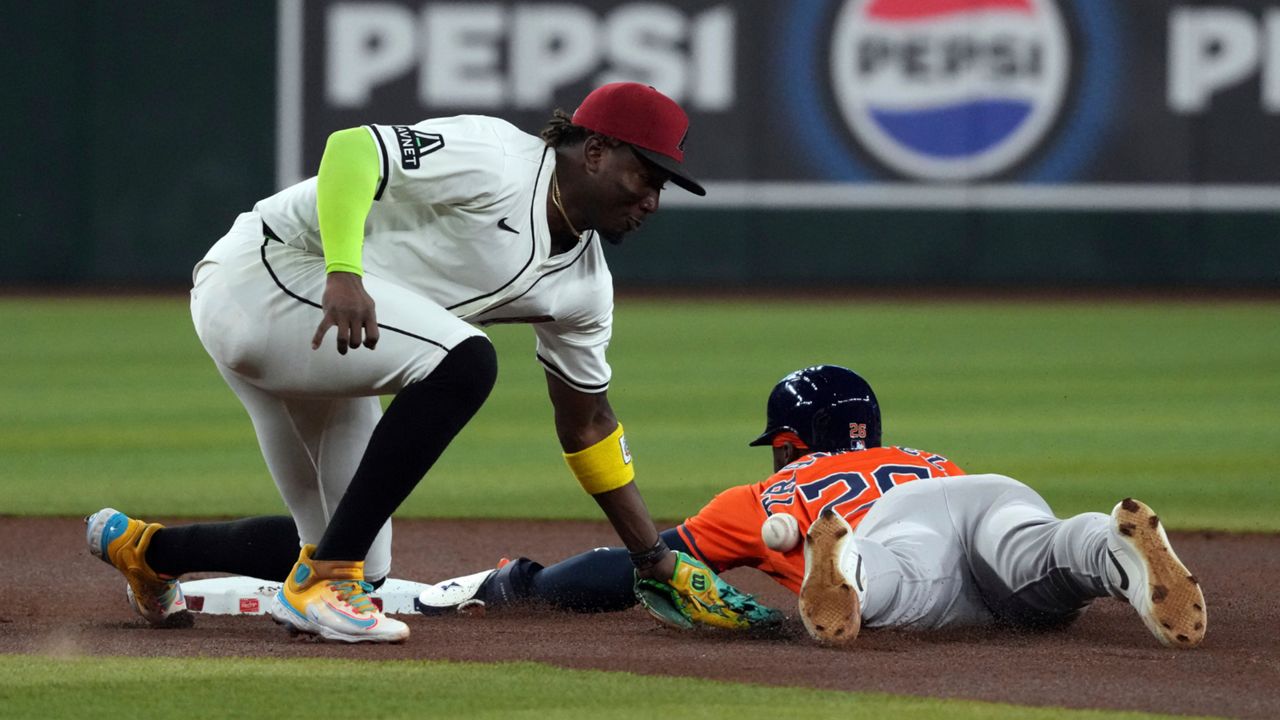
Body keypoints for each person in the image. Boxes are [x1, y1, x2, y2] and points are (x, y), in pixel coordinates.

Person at [85, 82, 764, 643]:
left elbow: (586, 424)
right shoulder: (500, 159)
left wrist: (653, 559)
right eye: (644, 173)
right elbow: (352, 150)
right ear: (594, 151)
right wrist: (344, 271)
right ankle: (324, 580)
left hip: (336, 335)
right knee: (467, 361)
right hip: (266, 274)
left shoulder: (583, 288)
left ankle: (147, 553)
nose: (652, 198)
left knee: (355, 553)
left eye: (663, 186)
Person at [418, 365, 1208, 649]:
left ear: (790, 439)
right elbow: (964, 524)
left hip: (888, 534)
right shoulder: (924, 456)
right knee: (1038, 555)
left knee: (900, 582)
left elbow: (637, 564)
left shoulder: (769, 491)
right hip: (985, 490)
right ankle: (1110, 546)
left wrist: (521, 582)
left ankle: (847, 568)